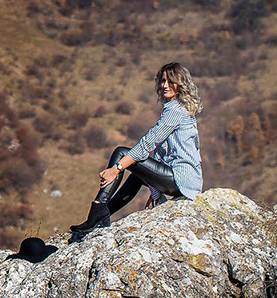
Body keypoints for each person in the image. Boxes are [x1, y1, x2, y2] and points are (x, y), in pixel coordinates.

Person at [69, 62, 203, 243]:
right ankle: (103, 215)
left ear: (180, 85)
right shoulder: (178, 109)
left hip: (181, 178)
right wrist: (155, 189)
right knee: (135, 175)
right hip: (182, 178)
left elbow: (147, 143)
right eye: (162, 81)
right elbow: (159, 156)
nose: (164, 85)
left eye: (170, 81)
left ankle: (98, 208)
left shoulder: (176, 112)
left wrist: (116, 169)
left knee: (122, 153)